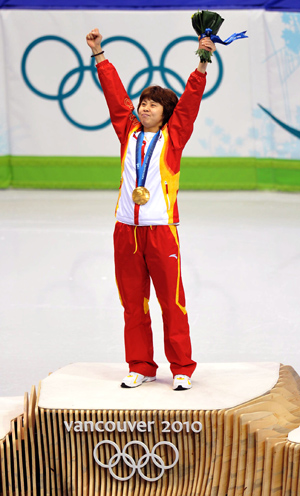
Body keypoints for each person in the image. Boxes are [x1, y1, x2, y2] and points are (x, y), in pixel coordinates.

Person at [86, 28, 216, 390]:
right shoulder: (127, 129)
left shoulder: (174, 136)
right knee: (133, 303)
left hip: (161, 229)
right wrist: (99, 54)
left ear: (167, 113)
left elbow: (190, 101)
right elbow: (115, 96)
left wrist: (203, 62)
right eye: (142, 102)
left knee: (172, 302)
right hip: (125, 228)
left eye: (153, 104)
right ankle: (140, 364)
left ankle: (182, 368)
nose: (144, 107)